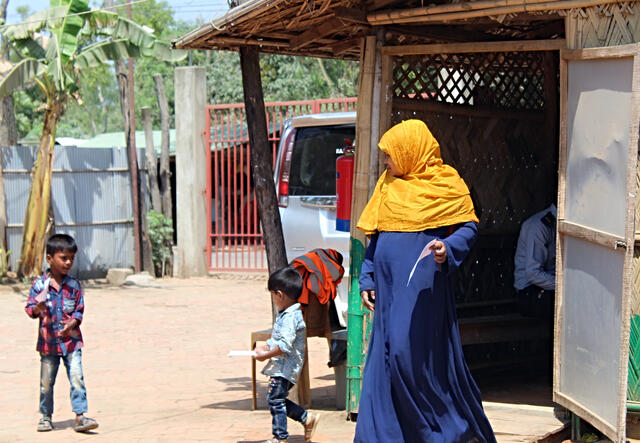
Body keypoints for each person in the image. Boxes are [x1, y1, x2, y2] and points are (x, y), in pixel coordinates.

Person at [354, 119, 496, 442]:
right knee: (385, 358)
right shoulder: (387, 184)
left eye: (391, 155)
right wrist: (367, 278)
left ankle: (440, 430)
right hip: (388, 290)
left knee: (406, 355)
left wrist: (448, 247)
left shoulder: (445, 183)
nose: (387, 162)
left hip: (421, 290)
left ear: (410, 151)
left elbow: (469, 227)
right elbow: (375, 235)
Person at [24, 234, 99, 433]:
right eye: (63, 258)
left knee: (77, 378)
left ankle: (80, 416)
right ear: (50, 259)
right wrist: (38, 309)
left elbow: (79, 310)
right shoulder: (39, 285)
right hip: (48, 345)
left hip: (72, 344)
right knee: (46, 383)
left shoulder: (74, 286)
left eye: (71, 259)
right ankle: (46, 417)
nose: (68, 262)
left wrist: (73, 323)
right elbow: (30, 309)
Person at [254, 266, 320, 443]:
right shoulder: (287, 314)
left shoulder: (291, 317)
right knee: (276, 398)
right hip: (281, 367)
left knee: (275, 399)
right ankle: (306, 418)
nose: (273, 300)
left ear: (279, 294)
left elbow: (284, 345)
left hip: (285, 368)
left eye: (273, 296)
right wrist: (265, 347)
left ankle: (280, 437)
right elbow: (278, 339)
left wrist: (266, 355)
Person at [513, 202, 557, 320]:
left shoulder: (558, 225)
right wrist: (564, 286)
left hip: (548, 286)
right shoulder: (540, 226)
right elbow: (533, 273)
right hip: (529, 291)